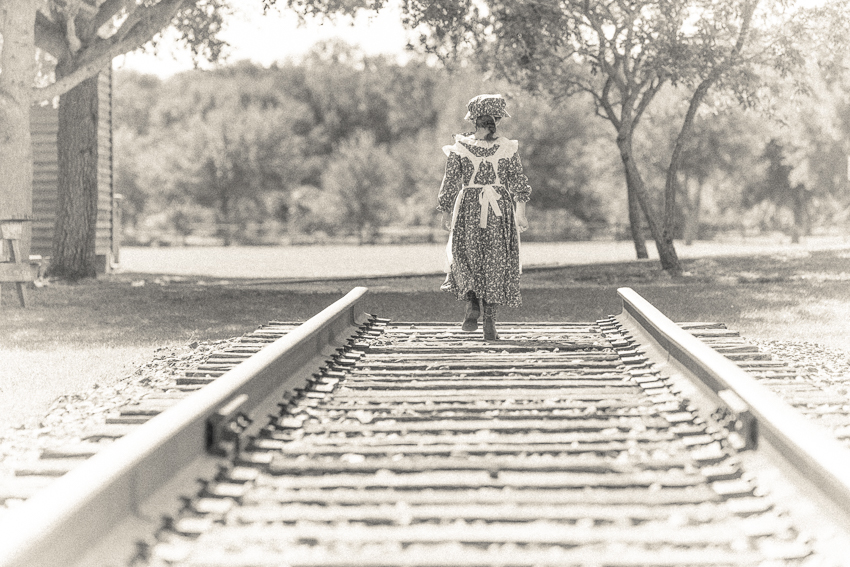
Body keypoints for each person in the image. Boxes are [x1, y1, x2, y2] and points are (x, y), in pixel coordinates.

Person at [437, 94, 531, 341]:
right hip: (499, 208)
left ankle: (471, 303)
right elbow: (519, 184)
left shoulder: (460, 148)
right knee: (496, 261)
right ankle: (490, 321)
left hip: (468, 206)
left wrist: (446, 211)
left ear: (473, 119)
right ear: (498, 119)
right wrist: (520, 214)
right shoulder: (508, 148)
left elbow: (449, 183)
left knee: (464, 255)